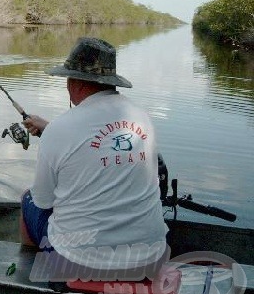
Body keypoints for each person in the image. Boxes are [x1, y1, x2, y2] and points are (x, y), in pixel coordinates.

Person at [20, 37, 168, 281]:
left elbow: (44, 201)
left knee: (28, 200)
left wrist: (52, 131)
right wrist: (50, 128)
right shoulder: (141, 117)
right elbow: (107, 145)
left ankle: (32, 280)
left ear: (75, 82)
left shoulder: (60, 128)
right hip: (151, 256)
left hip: (81, 261)